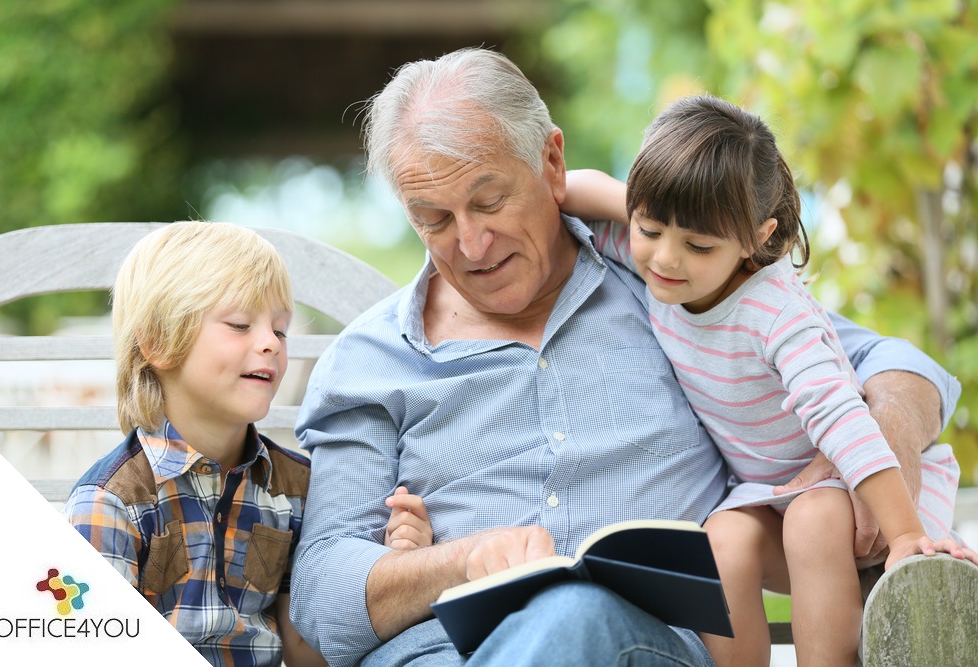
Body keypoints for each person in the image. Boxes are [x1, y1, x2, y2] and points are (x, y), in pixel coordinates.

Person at [289, 48, 962, 667]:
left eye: (490, 201)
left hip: (644, 644)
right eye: (432, 219)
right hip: (440, 652)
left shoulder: (671, 283)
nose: (469, 243)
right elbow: (324, 599)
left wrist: (881, 459)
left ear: (553, 165)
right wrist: (462, 562)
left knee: (575, 613)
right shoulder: (372, 360)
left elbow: (897, 367)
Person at [564, 94, 976, 667]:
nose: (666, 259)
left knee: (812, 521)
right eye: (649, 228)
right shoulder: (657, 259)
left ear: (758, 237)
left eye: (698, 246)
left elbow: (839, 417)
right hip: (768, 495)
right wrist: (621, 202)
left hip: (858, 488)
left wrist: (905, 532)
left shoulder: (776, 314)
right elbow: (574, 195)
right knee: (721, 544)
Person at [64, 221, 431, 667]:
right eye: (240, 324)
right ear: (159, 342)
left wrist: (396, 565)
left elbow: (304, 653)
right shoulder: (110, 502)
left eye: (280, 330)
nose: (269, 345)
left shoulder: (296, 488)